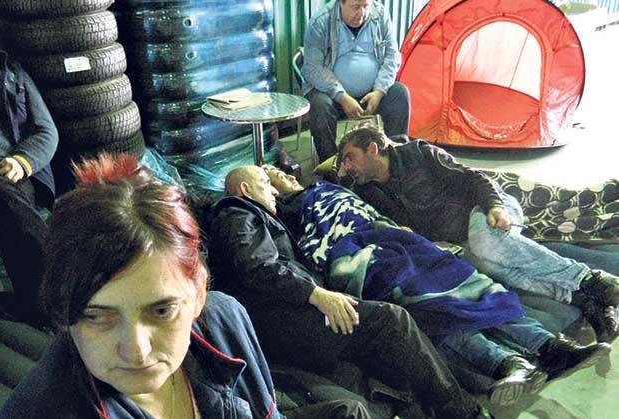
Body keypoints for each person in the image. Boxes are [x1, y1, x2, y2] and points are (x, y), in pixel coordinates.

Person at [264, 165, 611, 406]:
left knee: (471, 282)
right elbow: (303, 254)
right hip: (359, 254)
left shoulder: (334, 184)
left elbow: (365, 198)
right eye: (270, 177)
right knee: (428, 304)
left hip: (394, 236)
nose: (283, 175)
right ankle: (506, 364)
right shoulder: (287, 215)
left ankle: (552, 347)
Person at [0, 154, 288, 419]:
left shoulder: (227, 323)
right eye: (96, 317)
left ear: (199, 292)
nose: (136, 350)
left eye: (161, 311)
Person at [208, 165, 498, 419]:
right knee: (391, 319)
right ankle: (462, 411)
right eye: (264, 183)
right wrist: (318, 295)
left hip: (288, 315)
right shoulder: (236, 212)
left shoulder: (260, 217)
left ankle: (461, 390)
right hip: (286, 322)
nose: (273, 190)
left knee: (390, 322)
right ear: (245, 189)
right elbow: (257, 267)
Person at [336, 125, 619, 342]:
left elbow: (474, 178)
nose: (347, 167)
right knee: (485, 266)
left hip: (483, 208)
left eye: (350, 158)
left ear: (373, 149)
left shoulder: (418, 154)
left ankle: (589, 278)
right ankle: (584, 298)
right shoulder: (367, 192)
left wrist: (495, 206)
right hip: (462, 238)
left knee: (485, 244)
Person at [301, 0, 410, 161]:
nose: (362, 13)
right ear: (341, 3)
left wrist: (379, 91)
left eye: (366, 6)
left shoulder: (380, 15)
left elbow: (392, 56)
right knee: (319, 105)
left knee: (400, 94)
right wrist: (342, 96)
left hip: (372, 93)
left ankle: (395, 159)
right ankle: (331, 164)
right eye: (355, 7)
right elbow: (312, 68)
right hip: (333, 95)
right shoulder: (320, 22)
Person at [0, 43, 58, 326]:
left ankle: (51, 292)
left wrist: (21, 162)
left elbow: (47, 131)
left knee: (7, 199)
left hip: (12, 169)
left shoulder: (14, 74)